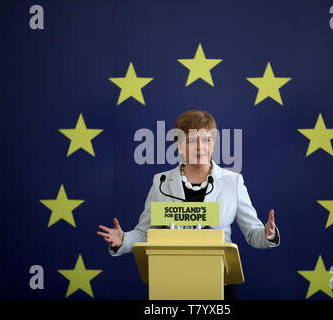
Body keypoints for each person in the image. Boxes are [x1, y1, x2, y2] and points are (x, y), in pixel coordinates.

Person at [97, 109, 280, 299]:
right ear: (179, 145)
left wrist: (267, 234)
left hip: (219, 282)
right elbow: (145, 233)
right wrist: (123, 239)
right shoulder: (161, 182)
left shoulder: (232, 182)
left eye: (207, 140)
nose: (200, 147)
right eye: (192, 140)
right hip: (171, 281)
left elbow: (253, 233)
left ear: (214, 143)